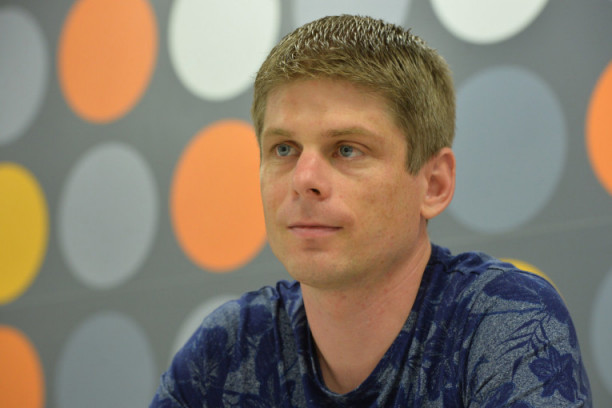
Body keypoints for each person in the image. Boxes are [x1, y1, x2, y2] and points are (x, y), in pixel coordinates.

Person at [151, 15, 591, 407]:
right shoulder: (228, 348)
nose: (303, 178)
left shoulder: (504, 321)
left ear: (434, 184)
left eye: (347, 149)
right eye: (284, 149)